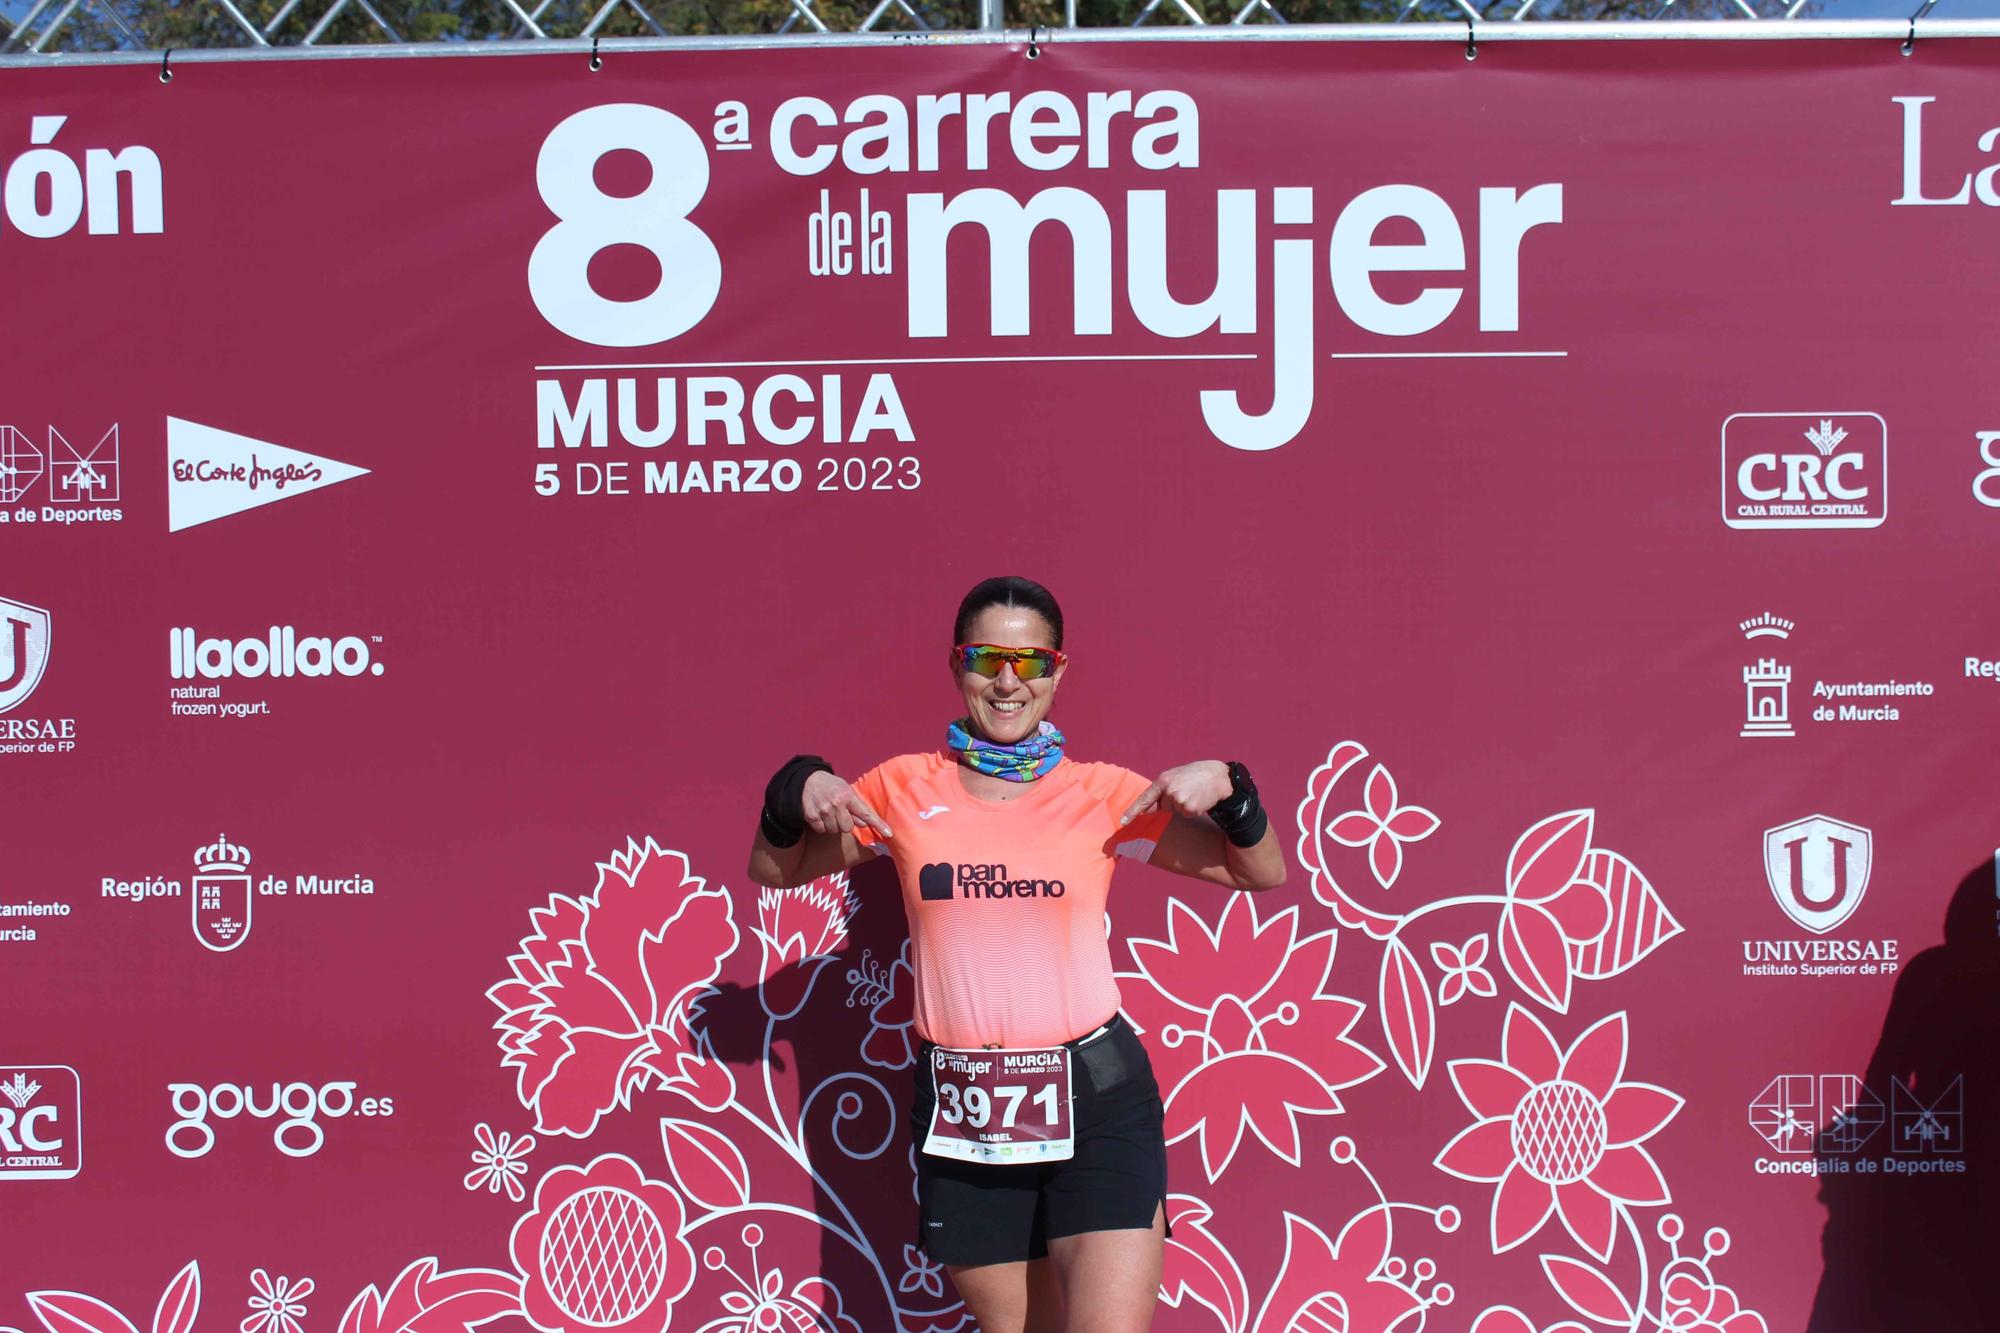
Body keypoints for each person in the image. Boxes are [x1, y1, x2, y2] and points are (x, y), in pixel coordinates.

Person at [747, 575, 1285, 1333]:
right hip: (967, 1107)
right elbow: (777, 868)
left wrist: (1233, 789)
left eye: (1031, 662)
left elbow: (1258, 869)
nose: (1008, 681)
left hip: (1097, 1096)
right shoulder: (901, 790)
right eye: (987, 658)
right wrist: (793, 787)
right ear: (956, 664)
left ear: (1058, 672)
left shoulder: (1102, 795)